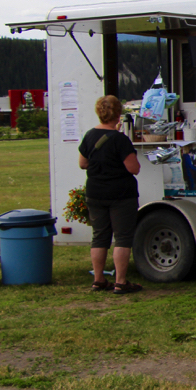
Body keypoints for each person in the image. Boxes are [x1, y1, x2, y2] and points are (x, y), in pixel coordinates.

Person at [78, 95, 143, 294]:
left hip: (95, 192)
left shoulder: (89, 135)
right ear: (117, 115)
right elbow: (134, 169)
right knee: (122, 238)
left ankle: (98, 280)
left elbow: (83, 163)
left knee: (99, 237)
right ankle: (120, 282)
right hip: (120, 194)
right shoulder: (120, 139)